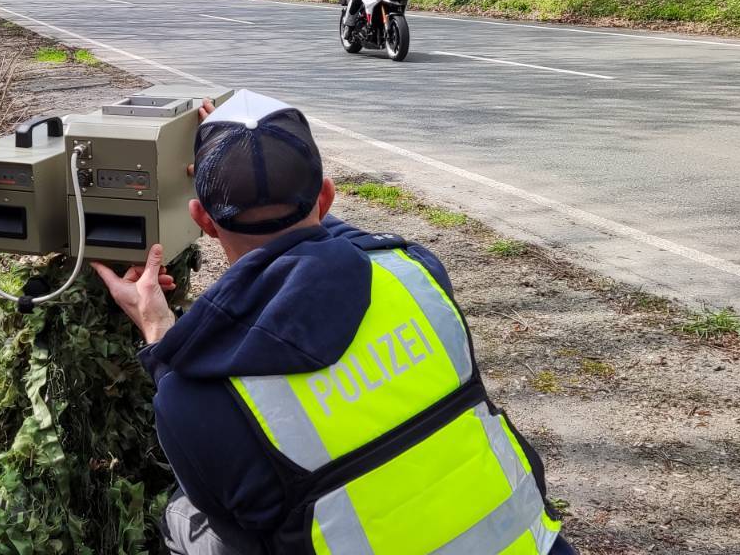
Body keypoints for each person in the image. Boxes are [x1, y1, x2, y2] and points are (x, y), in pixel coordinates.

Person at [93, 90, 576, 555]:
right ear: (325, 198)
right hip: (535, 544)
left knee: (185, 519)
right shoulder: (416, 272)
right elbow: (341, 245)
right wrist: (261, 161)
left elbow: (245, 527)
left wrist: (157, 328)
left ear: (202, 220)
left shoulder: (189, 399)